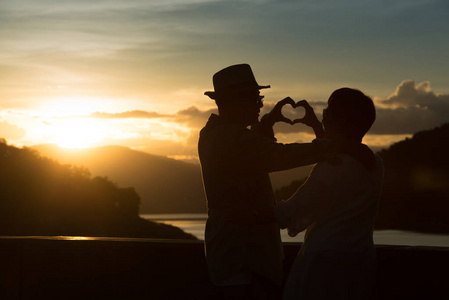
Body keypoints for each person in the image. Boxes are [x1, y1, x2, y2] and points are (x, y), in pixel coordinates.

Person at [198, 64, 329, 300]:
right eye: (255, 99)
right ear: (237, 102)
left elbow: (255, 149)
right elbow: (277, 155)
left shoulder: (213, 133)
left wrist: (267, 122)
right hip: (244, 257)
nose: (260, 105)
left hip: (231, 253)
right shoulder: (234, 140)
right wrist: (326, 139)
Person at [274, 88, 384, 300]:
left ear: (342, 121)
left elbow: (293, 211)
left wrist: (252, 212)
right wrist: (316, 125)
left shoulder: (332, 167)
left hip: (324, 267)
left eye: (329, 112)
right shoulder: (376, 164)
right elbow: (342, 148)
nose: (325, 116)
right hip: (360, 263)